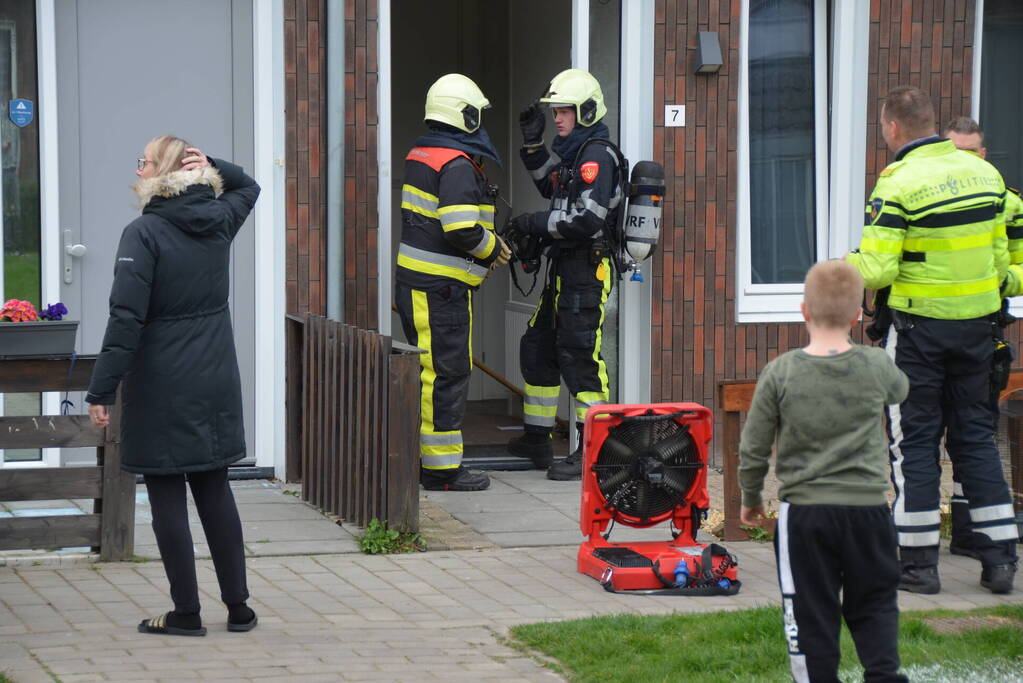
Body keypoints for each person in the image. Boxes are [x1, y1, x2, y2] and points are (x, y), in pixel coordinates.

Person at [847, 86, 1019, 595]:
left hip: (920, 333)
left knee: (914, 443)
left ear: (893, 128)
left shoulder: (898, 181)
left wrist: (842, 264)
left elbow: (878, 267)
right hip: (980, 330)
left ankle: (918, 566)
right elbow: (1004, 263)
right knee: (976, 441)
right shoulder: (987, 176)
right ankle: (999, 561)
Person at [86, 136, 260, 635]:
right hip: (214, 376)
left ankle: (186, 613)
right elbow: (249, 185)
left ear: (160, 171)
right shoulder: (219, 219)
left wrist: (101, 391)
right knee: (214, 487)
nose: (136, 168)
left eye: (142, 160)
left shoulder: (144, 233)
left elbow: (125, 319)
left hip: (163, 381)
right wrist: (214, 166)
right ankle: (240, 609)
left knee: (166, 494)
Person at [740, 260, 909, 683]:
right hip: (869, 510)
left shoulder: (781, 372)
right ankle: (884, 675)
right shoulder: (875, 366)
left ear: (804, 311)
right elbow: (901, 389)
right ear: (857, 316)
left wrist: (750, 498)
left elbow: (754, 445)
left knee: (809, 610)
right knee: (875, 603)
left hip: (806, 514)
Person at [395, 73, 511, 492]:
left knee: (433, 372)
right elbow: (462, 227)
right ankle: (441, 469)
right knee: (444, 374)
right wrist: (492, 248)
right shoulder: (456, 163)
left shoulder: (423, 153)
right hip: (439, 290)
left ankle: (432, 462)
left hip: (422, 285)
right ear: (465, 114)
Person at [505, 68, 622, 480]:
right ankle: (538, 440)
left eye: (564, 111)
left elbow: (585, 219)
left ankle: (593, 453)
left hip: (587, 269)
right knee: (537, 349)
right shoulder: (576, 154)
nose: (557, 118)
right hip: (564, 269)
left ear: (586, 111)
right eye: (555, 111)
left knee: (580, 356)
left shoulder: (597, 156)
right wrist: (534, 145)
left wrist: (534, 224)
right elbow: (550, 187)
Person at [942, 116, 1023, 562]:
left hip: (981, 334)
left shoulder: (1008, 204)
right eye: (955, 152)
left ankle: (971, 532)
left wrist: (995, 278)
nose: (965, 161)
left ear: (984, 155)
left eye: (971, 152)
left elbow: (1021, 265)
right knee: (927, 436)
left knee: (973, 436)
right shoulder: (927, 201)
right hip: (932, 335)